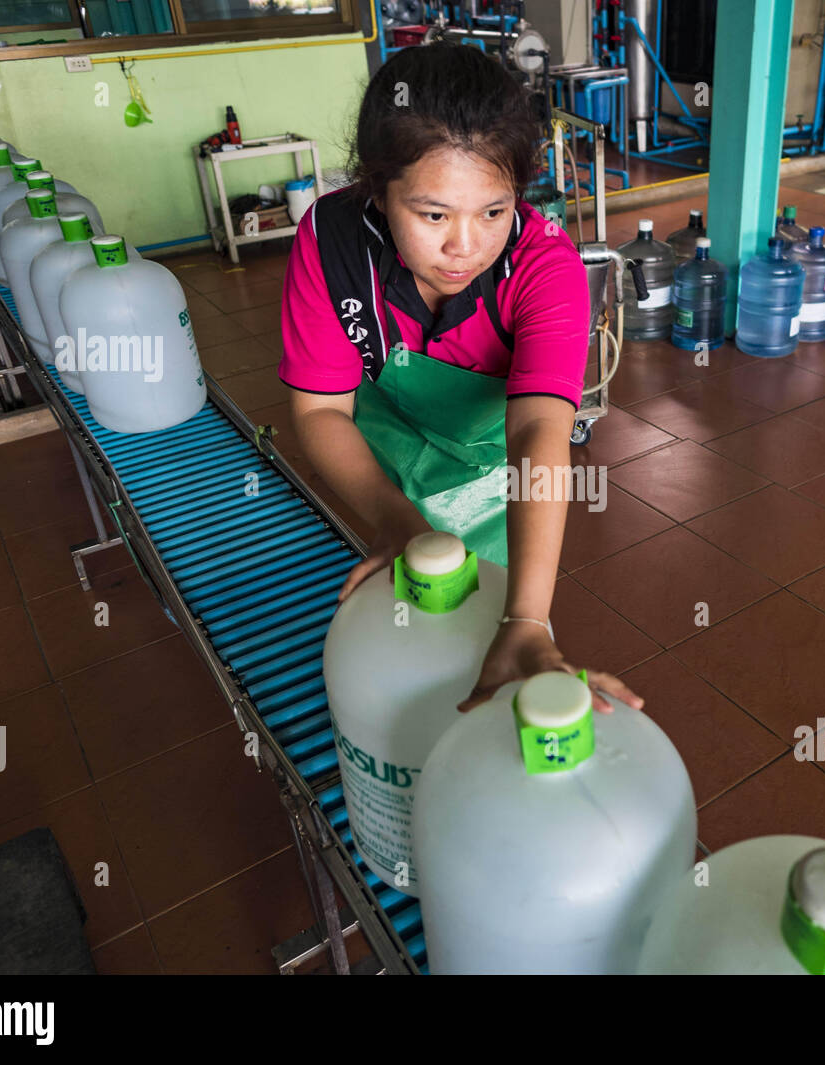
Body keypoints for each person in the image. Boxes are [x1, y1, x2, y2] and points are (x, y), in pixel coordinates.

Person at [278, 41, 642, 715]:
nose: (465, 247)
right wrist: (395, 524)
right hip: (382, 469)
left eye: (494, 212)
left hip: (500, 485)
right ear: (376, 190)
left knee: (492, 637)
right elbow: (322, 412)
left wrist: (528, 620)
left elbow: (536, 429)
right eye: (433, 214)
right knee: (402, 656)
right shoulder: (332, 245)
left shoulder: (544, 269)